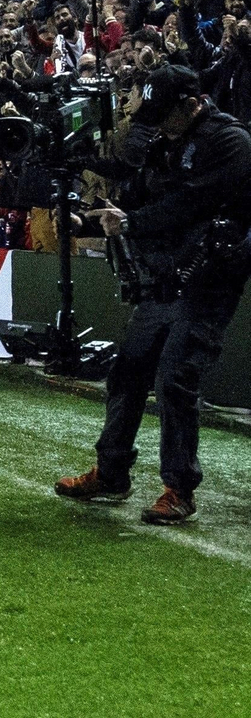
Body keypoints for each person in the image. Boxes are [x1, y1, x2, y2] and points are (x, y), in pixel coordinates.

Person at [55, 66, 251, 524]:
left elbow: (191, 203)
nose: (158, 124)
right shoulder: (167, 139)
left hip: (210, 276)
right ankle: (111, 471)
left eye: (165, 114)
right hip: (166, 271)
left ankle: (178, 488)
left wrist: (132, 222)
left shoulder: (231, 142)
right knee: (128, 373)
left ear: (191, 103)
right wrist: (94, 217)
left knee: (175, 379)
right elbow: (140, 190)